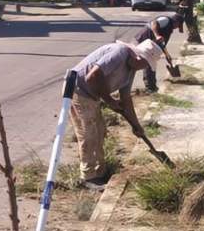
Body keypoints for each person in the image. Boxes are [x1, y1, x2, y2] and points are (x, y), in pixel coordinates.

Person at [70, 39, 163, 189]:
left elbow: (126, 99)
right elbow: (92, 76)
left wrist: (136, 125)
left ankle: (100, 172)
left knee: (100, 131)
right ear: (138, 57)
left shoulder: (131, 70)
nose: (143, 68)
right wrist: (109, 100)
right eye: (145, 64)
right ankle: (88, 177)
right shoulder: (119, 53)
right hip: (78, 90)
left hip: (92, 95)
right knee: (89, 133)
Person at [134, 8, 185, 92]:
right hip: (145, 38)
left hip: (151, 42)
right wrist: (156, 35)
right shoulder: (166, 20)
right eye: (178, 26)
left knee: (151, 62)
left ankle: (152, 85)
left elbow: (162, 44)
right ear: (176, 22)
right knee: (149, 62)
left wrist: (167, 55)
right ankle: (150, 87)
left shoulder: (169, 28)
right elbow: (154, 23)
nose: (177, 28)